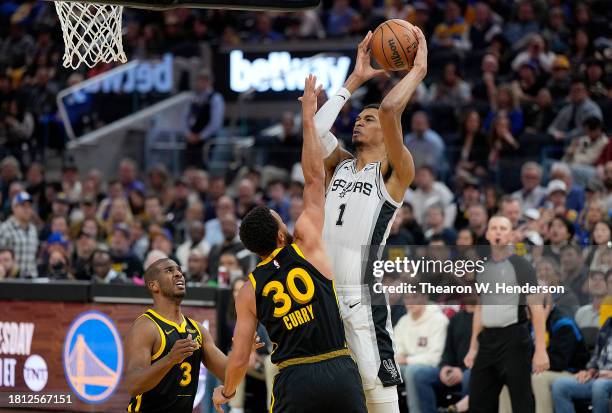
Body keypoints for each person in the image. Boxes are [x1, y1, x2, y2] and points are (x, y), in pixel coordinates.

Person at [212, 75, 367, 413]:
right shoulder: (307, 244)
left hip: (294, 379)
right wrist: (309, 118)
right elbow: (314, 176)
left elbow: (240, 354)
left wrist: (226, 390)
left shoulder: (249, 290)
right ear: (281, 234)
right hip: (339, 367)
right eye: (281, 219)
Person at [311, 28, 427, 412]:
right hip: (325, 297)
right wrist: (355, 79)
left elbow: (392, 109)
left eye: (368, 119)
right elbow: (314, 130)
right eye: (358, 117)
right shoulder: (339, 166)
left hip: (362, 297)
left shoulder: (395, 174)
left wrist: (418, 70)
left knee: (379, 398)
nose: (359, 122)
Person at [123, 257, 250, 413]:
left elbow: (228, 374)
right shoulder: (146, 327)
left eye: (179, 270)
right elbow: (133, 385)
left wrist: (244, 349)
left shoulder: (198, 330)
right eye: (169, 270)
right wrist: (170, 359)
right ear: (153, 285)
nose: (178, 274)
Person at [464, 215, 550, 413]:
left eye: (503, 228)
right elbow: (480, 307)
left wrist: (540, 350)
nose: (498, 232)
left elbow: (536, 309)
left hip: (515, 340)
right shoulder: (482, 267)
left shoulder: (522, 266)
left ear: (511, 235)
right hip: (487, 341)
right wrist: (472, 347)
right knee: (478, 402)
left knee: (521, 403)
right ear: (487, 234)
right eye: (493, 228)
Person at [551, 317, 612, 413]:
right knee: (560, 386)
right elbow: (596, 356)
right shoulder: (608, 323)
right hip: (599, 377)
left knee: (599, 385)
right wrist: (590, 371)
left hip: (604, 382)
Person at [0, 191, 38, 278]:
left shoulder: (33, 229)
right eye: (23, 206)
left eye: (29, 206)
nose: (27, 209)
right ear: (14, 208)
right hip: (11, 279)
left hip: (32, 278)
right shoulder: (4, 228)